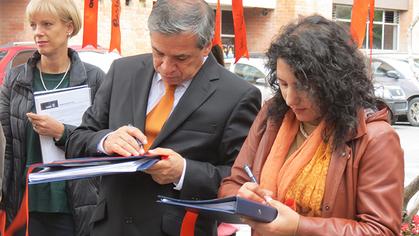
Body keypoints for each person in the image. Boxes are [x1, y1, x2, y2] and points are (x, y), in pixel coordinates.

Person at [65, 0, 261, 235]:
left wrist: (184, 172)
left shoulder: (237, 95)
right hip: (111, 225)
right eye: (158, 53)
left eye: (181, 58)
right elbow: (77, 140)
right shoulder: (122, 72)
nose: (166, 67)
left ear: (207, 46)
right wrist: (105, 141)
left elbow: (241, 179)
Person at [218, 15, 404, 236]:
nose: (290, 99)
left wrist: (299, 227)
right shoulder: (273, 115)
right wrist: (243, 196)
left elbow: (381, 230)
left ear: (335, 82)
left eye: (304, 87)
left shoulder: (375, 138)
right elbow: (233, 182)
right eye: (283, 84)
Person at [0, 0, 104, 235]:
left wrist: (62, 133)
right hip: (25, 204)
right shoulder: (15, 80)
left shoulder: (95, 79)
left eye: (47, 24)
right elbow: (7, 146)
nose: (38, 32)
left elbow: (104, 143)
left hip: (74, 204)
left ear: (69, 27)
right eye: (34, 25)